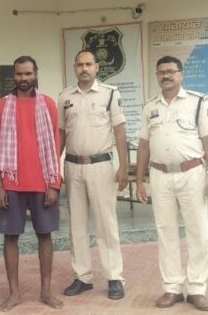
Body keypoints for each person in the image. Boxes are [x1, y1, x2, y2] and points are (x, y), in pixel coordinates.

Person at [135, 56, 208, 311]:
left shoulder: (197, 102)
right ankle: (172, 287)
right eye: (161, 72)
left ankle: (197, 289)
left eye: (171, 71)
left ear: (181, 75)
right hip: (160, 175)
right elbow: (144, 145)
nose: (166, 75)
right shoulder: (149, 107)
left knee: (198, 232)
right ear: (157, 76)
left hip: (192, 174)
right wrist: (139, 181)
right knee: (166, 232)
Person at [0, 56, 63, 312]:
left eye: (28, 73)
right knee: (10, 237)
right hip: (12, 183)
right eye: (19, 74)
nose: (24, 78)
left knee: (45, 235)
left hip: (42, 182)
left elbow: (55, 145)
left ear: (36, 74)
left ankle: (46, 291)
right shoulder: (2, 106)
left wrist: (54, 184)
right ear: (14, 75)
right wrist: (0, 186)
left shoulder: (48, 104)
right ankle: (14, 293)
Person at [57, 49, 129, 300]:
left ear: (97, 67)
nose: (84, 68)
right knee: (76, 225)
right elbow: (61, 134)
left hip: (101, 166)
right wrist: (55, 166)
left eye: (89, 64)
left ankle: (114, 277)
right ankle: (82, 277)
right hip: (73, 166)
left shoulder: (110, 94)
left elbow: (120, 131)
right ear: (74, 68)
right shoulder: (65, 96)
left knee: (106, 224)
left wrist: (124, 166)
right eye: (80, 65)